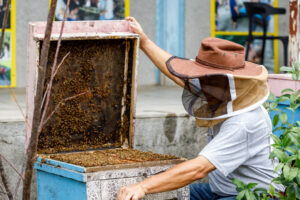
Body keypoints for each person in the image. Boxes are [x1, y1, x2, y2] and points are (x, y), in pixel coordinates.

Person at [117, 17, 284, 200]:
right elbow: (176, 75)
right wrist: (144, 41)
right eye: (202, 80)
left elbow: (199, 169)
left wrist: (142, 187)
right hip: (219, 191)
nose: (202, 87)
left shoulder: (245, 122)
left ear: (231, 83)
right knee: (168, 195)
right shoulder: (219, 89)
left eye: (208, 81)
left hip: (254, 196)